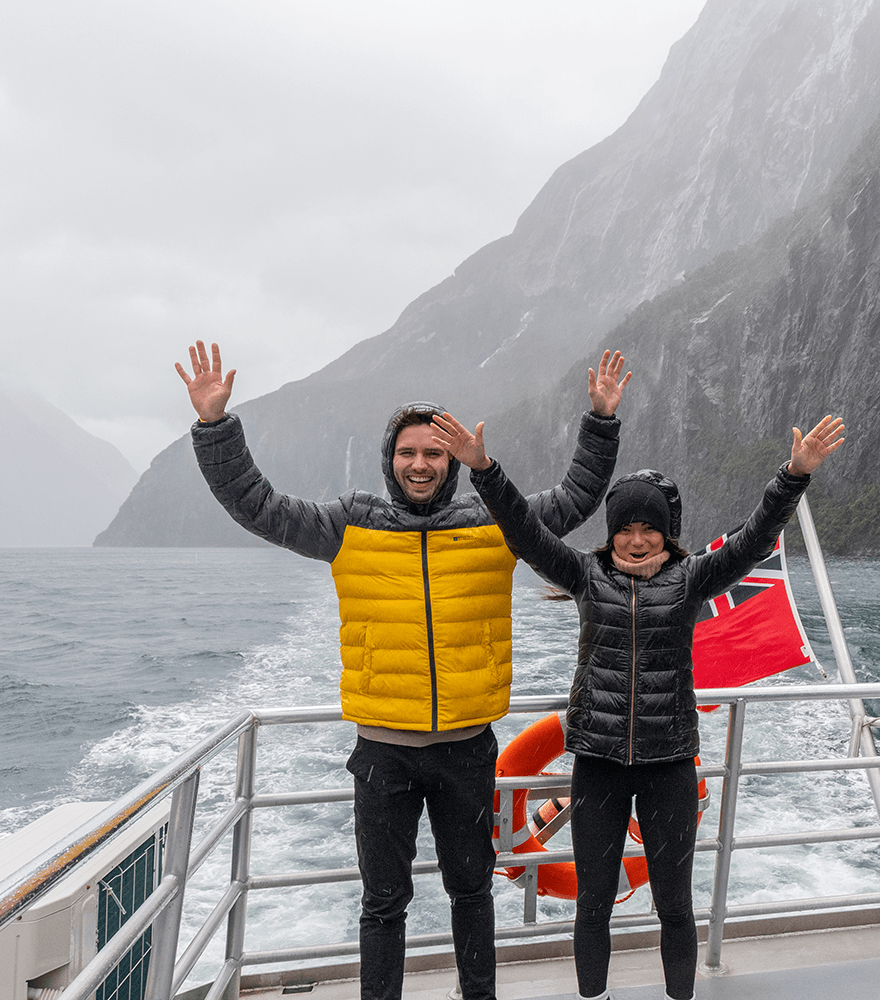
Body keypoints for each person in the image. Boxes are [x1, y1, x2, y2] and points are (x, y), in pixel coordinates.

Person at [174, 341, 632, 1000]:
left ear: (453, 461)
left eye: (434, 453)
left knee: (473, 893)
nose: (420, 464)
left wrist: (601, 421)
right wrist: (216, 428)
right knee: (383, 904)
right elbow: (258, 506)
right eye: (408, 452)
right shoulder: (348, 524)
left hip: (467, 752)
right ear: (391, 459)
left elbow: (577, 497)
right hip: (383, 755)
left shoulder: (494, 522)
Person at [430, 409, 846, 1000]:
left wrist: (794, 475)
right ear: (612, 530)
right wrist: (484, 470)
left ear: (667, 531)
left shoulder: (693, 579)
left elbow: (755, 538)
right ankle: (593, 996)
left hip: (669, 765)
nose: (636, 537)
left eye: (649, 527)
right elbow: (522, 531)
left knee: (675, 906)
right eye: (625, 526)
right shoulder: (583, 575)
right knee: (593, 906)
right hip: (597, 766)